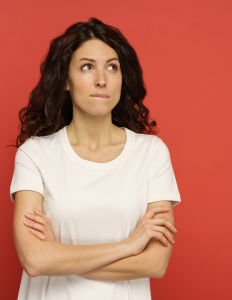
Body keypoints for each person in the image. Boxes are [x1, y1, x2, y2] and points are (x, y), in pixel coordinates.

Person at [9, 17, 181, 300]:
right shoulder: (35, 153)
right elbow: (35, 260)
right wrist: (129, 246)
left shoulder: (151, 152)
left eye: (112, 67)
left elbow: (155, 263)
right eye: (87, 67)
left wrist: (60, 254)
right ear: (65, 79)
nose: (102, 79)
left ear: (122, 78)